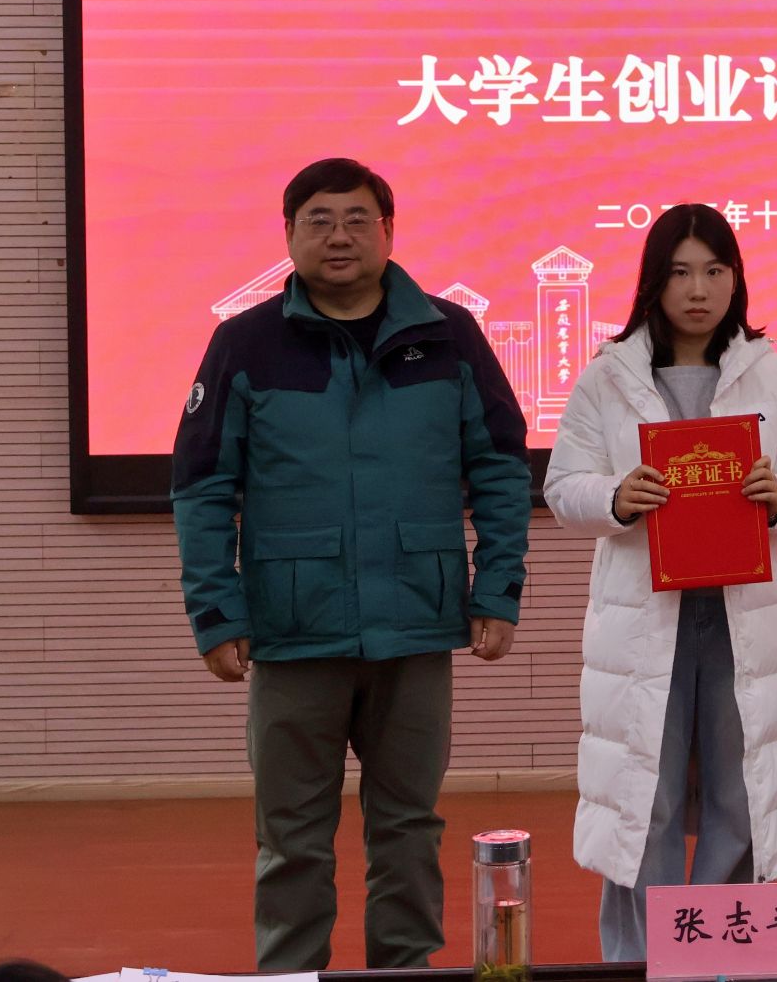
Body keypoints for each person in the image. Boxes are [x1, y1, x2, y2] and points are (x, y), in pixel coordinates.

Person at [171, 156, 531, 971]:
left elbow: (502, 467)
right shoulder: (245, 343)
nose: (339, 236)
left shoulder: (448, 335)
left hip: (416, 627)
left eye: (358, 218)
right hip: (294, 630)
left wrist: (498, 589)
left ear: (389, 231)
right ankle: (292, 974)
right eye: (319, 220)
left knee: (409, 828)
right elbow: (201, 485)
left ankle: (404, 970)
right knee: (291, 836)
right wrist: (216, 613)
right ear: (289, 233)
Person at [544, 203, 777, 962]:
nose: (698, 289)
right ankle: (641, 963)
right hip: (646, 621)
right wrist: (615, 497)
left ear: (735, 279)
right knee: (645, 794)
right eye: (679, 272)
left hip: (746, 620)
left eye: (713, 270)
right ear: (654, 281)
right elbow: (563, 483)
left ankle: (716, 957)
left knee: (746, 791)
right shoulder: (609, 375)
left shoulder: (772, 372)